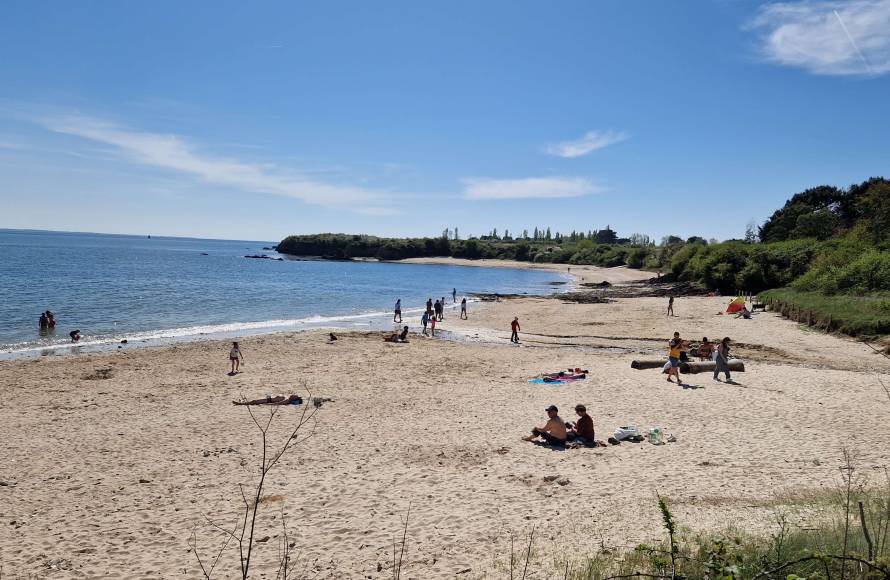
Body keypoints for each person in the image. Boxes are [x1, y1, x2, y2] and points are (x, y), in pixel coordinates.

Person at [233, 394, 303, 406]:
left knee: (254, 401)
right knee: (253, 400)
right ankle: (242, 402)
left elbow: (276, 404)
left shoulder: (287, 400)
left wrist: (265, 404)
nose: (294, 395)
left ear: (294, 399)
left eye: (295, 396)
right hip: (268, 398)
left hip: (267, 401)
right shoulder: (287, 398)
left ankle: (241, 403)